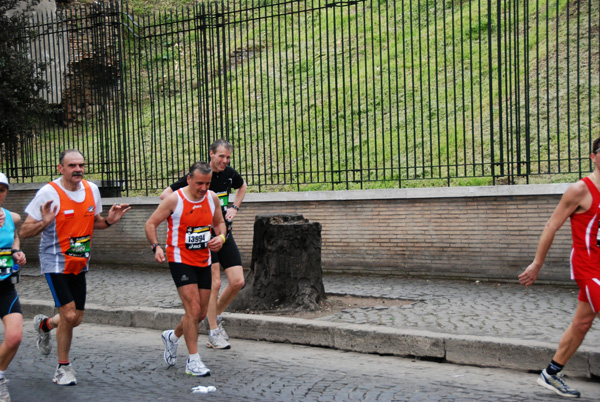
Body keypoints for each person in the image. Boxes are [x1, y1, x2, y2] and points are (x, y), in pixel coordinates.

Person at [20, 149, 130, 386]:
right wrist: (44, 222)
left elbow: (95, 222)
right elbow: (25, 231)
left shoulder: (92, 189)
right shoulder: (49, 193)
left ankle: (44, 324)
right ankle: (63, 368)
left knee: (76, 319)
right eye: (72, 165)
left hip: (80, 262)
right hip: (55, 262)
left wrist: (110, 220)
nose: (78, 169)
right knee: (68, 315)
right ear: (61, 168)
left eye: (81, 165)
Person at [518, 138, 600, 398]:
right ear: (593, 157)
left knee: (582, 322)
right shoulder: (580, 190)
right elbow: (551, 226)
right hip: (588, 267)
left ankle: (551, 374)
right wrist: (537, 263)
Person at [160, 139, 247, 350]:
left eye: (228, 157)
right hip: (203, 239)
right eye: (221, 157)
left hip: (224, 233)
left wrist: (235, 206)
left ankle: (212, 315)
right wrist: (187, 216)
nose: (225, 161)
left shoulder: (229, 174)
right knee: (214, 283)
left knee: (238, 281)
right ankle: (214, 332)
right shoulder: (200, 176)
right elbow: (165, 195)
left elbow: (242, 186)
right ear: (211, 154)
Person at [146, 161, 226, 377]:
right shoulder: (175, 199)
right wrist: (156, 247)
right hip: (180, 258)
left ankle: (172, 336)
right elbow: (151, 223)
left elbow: (219, 223)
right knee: (192, 309)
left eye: (207, 183)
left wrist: (221, 237)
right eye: (199, 183)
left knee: (200, 313)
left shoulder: (212, 198)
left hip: (204, 259)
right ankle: (193, 360)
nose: (203, 188)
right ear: (189, 179)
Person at [0, 173, 27, 401]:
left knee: (15, 337)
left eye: (1, 189)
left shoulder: (13, 217)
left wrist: (16, 251)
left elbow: (14, 238)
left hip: (4, 286)